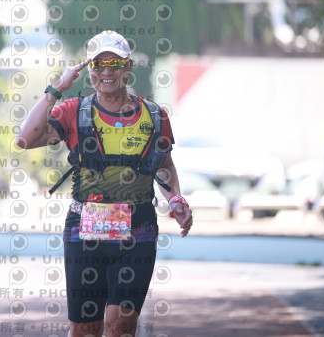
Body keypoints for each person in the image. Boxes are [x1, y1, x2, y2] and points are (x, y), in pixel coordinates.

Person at [16, 30, 193, 337]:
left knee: (119, 326)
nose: (107, 72)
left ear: (128, 67)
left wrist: (175, 198)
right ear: (90, 69)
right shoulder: (74, 111)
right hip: (83, 234)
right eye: (99, 65)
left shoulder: (154, 115)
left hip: (137, 233)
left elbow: (163, 166)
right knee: (85, 330)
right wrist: (57, 88)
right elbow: (25, 139)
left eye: (115, 64)